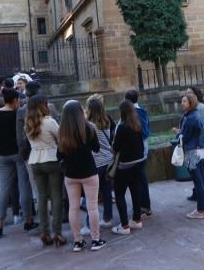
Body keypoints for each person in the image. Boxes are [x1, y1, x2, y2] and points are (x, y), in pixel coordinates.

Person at [58, 100, 107, 251]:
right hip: (89, 172)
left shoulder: (62, 131)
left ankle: (78, 241)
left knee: (74, 207)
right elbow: (97, 148)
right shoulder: (88, 128)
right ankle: (95, 239)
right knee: (92, 207)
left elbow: (59, 155)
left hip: (71, 174)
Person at [0, 88, 36, 238]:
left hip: (3, 155)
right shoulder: (17, 113)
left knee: (3, 189)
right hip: (18, 153)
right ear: (15, 100)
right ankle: (28, 221)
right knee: (24, 186)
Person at [25, 95, 64, 246]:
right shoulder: (49, 121)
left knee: (41, 197)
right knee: (56, 196)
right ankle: (57, 232)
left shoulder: (28, 123)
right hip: (51, 159)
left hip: (35, 160)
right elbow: (61, 138)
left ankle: (44, 232)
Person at [110, 100, 146, 235]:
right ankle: (137, 220)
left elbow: (115, 148)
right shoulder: (137, 124)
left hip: (125, 166)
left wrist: (111, 148)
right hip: (139, 163)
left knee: (119, 193)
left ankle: (124, 225)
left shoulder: (122, 127)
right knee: (136, 190)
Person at [86, 94, 117, 231]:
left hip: (96, 162)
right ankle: (108, 218)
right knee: (106, 192)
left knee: (91, 195)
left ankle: (89, 224)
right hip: (108, 160)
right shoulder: (107, 121)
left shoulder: (89, 125)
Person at [177, 92, 204, 218]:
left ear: (191, 103)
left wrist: (178, 135)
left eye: (184, 101)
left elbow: (185, 137)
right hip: (199, 149)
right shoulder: (194, 114)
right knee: (201, 179)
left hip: (192, 152)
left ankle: (200, 210)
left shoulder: (191, 117)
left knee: (198, 180)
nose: (182, 103)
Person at [123, 90, 153, 217]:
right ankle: (143, 205)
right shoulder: (143, 110)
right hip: (143, 147)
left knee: (139, 178)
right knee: (141, 177)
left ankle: (143, 206)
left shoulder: (133, 113)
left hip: (137, 149)